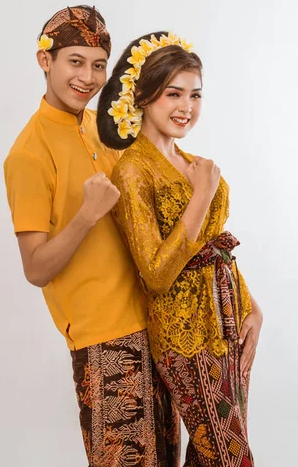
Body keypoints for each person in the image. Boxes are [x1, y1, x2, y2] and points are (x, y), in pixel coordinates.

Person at [4, 8, 180, 466]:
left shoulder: (102, 126)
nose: (87, 77)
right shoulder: (28, 153)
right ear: (46, 60)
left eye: (98, 64)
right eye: (75, 62)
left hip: (155, 323)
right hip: (105, 343)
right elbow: (35, 268)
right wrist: (85, 216)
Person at [96, 31, 263, 467]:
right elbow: (155, 273)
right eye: (173, 93)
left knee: (211, 457)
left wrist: (252, 306)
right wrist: (202, 195)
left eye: (195, 94)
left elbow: (214, 247)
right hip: (183, 333)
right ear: (145, 96)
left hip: (227, 319)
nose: (186, 107)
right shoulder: (133, 170)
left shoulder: (192, 163)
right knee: (230, 457)